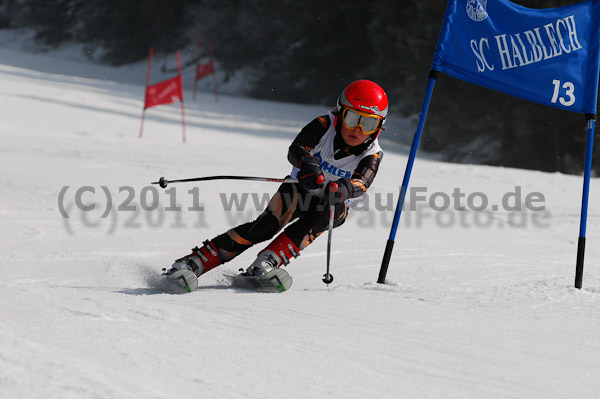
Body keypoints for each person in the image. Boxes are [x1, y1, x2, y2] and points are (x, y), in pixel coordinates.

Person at [166, 79, 387, 283]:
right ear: (340, 113)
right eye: (352, 118)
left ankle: (267, 262)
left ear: (378, 127)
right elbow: (296, 149)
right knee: (265, 227)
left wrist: (345, 189)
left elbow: (362, 182)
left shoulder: (372, 154)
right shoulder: (323, 125)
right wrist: (307, 163)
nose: (357, 129)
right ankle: (194, 262)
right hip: (300, 189)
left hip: (331, 204)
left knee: (323, 216)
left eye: (368, 124)